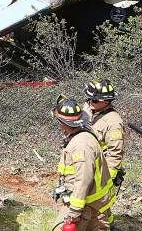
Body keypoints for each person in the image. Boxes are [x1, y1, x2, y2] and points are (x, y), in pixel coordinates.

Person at [52, 95, 115, 231]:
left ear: (64, 123)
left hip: (89, 205)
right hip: (87, 202)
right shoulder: (79, 136)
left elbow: (83, 179)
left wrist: (74, 211)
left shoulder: (81, 145)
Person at [82, 79, 125, 229]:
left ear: (106, 101)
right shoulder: (90, 109)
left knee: (99, 205)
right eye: (88, 98)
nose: (89, 102)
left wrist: (108, 179)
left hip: (102, 172)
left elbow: (115, 153)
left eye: (93, 99)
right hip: (87, 165)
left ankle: (107, 227)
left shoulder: (113, 123)